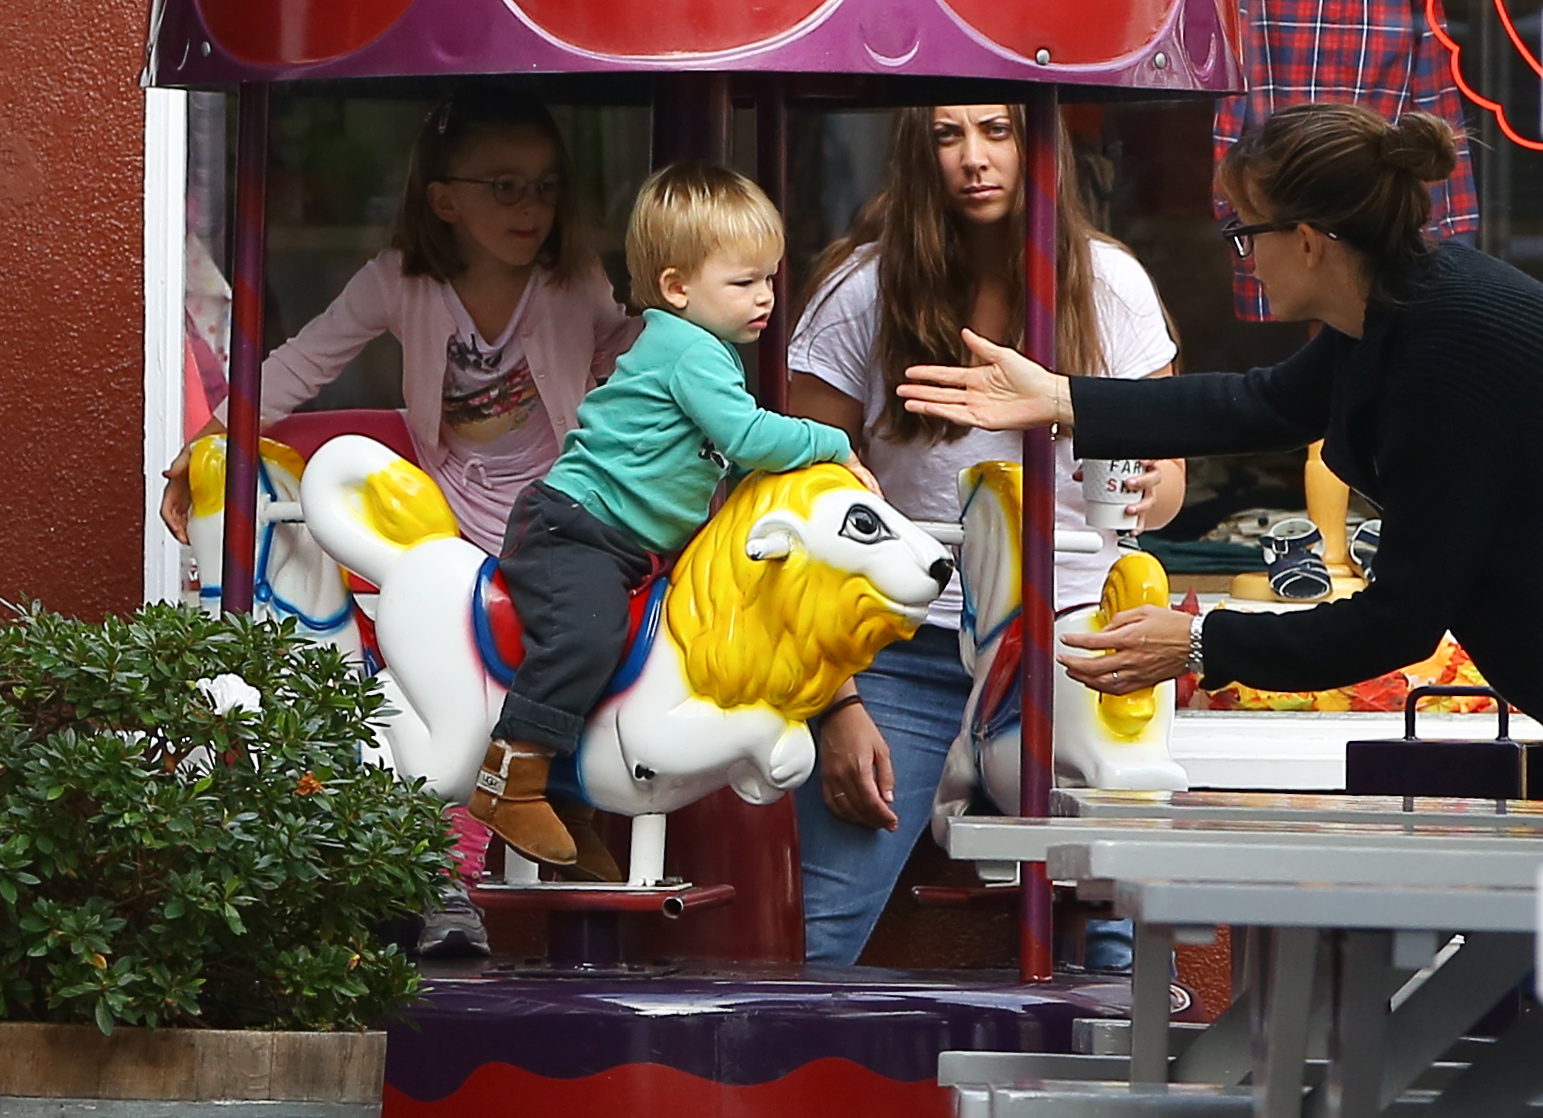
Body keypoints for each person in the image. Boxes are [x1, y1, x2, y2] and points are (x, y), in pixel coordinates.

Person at [158, 89, 642, 955]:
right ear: (444, 199)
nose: (529, 207)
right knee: (430, 694)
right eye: (504, 186)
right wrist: (201, 449)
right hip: (446, 519)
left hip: (556, 513)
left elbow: (630, 351)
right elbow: (298, 364)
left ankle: (552, 817)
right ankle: (441, 875)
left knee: (570, 648)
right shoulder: (399, 281)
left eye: (544, 187)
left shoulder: (573, 283)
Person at [899, 102, 1543, 724]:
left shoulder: (1445, 355)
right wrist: (1059, 398)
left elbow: (1398, 623)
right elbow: (1264, 404)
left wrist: (1198, 641)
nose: (1245, 260)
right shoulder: (1405, 303)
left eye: (1245, 232)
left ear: (1308, 242)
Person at [788, 105, 1185, 967]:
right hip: (903, 644)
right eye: (947, 135)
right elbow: (795, 499)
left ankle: (1105, 1061)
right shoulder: (864, 287)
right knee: (822, 926)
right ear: (916, 151)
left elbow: (1167, 487)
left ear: (1038, 146)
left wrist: (1151, 486)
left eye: (997, 131)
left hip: (1077, 642)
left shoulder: (1109, 281)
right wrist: (836, 702)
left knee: (1109, 934)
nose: (973, 157)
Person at [467, 163, 878, 874]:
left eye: (770, 278)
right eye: (743, 281)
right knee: (585, 635)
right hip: (574, 528)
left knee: (635, 655)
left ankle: (568, 800)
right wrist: (832, 443)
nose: (765, 297)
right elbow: (748, 437)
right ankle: (513, 776)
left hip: (624, 545)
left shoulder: (698, 350)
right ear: (677, 287)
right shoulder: (692, 352)